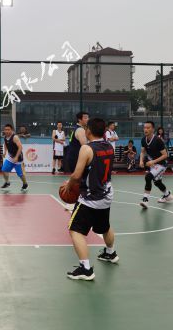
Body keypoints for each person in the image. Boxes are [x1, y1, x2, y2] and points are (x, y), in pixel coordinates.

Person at [61, 118, 119, 281]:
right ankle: (110, 253)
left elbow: (76, 175)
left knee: (75, 229)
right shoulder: (109, 146)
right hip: (106, 193)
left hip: (91, 197)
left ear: (88, 131)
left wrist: (68, 185)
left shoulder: (87, 148)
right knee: (105, 227)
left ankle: (85, 269)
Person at [139, 121, 173, 209]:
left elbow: (165, 155)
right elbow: (142, 152)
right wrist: (141, 161)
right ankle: (167, 195)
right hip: (153, 164)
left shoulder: (158, 140)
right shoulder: (143, 139)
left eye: (148, 128)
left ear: (153, 129)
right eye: (144, 128)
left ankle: (145, 200)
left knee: (148, 177)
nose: (146, 129)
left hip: (161, 164)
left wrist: (153, 161)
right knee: (157, 182)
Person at [0, 124, 29, 191]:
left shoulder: (15, 137)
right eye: (5, 130)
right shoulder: (5, 137)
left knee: (21, 175)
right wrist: (5, 152)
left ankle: (25, 183)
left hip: (18, 159)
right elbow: (5, 144)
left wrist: (16, 157)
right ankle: (7, 182)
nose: (7, 131)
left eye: (8, 130)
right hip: (10, 158)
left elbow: (20, 147)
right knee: (4, 170)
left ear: (12, 130)